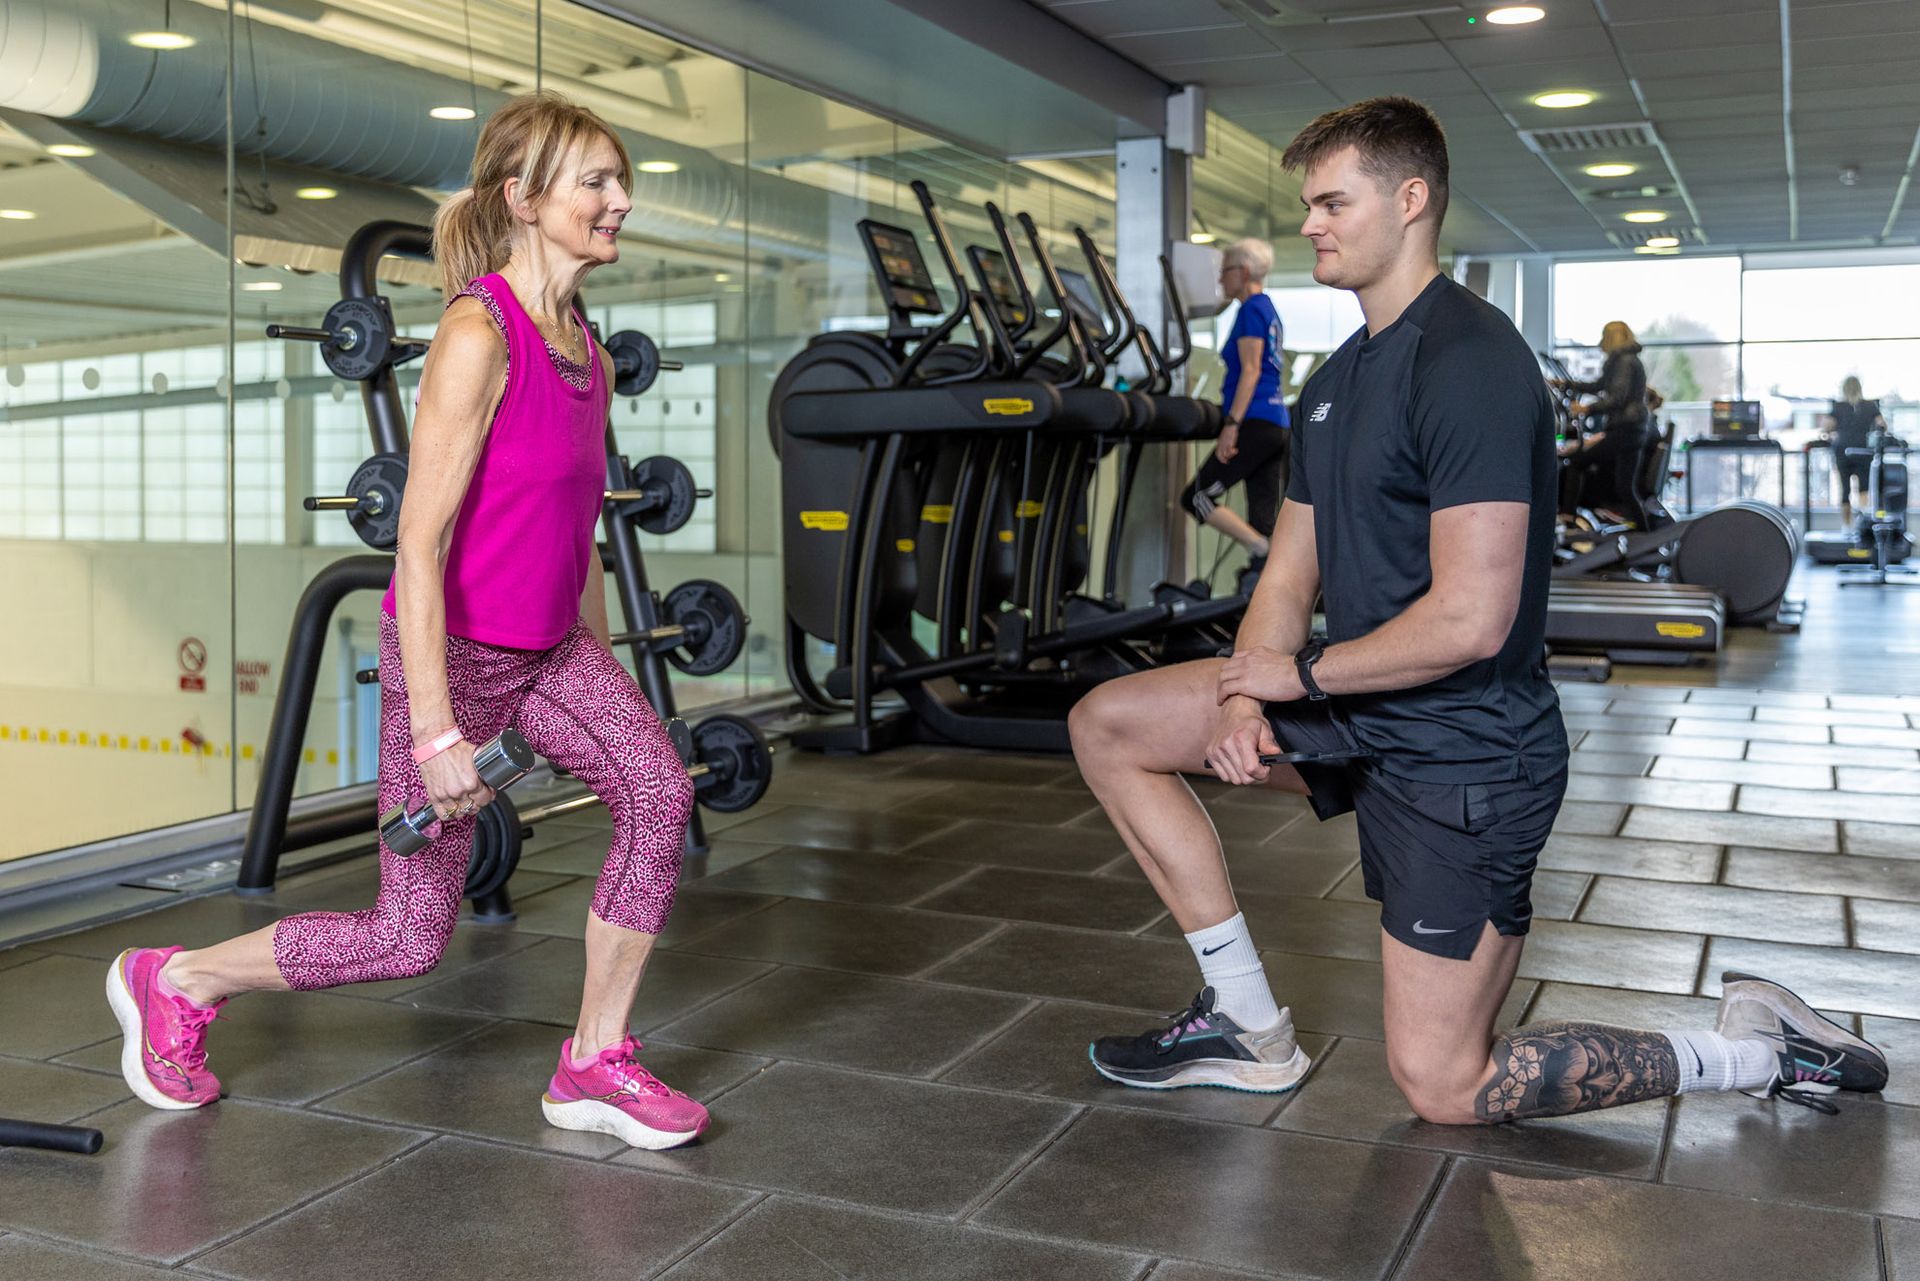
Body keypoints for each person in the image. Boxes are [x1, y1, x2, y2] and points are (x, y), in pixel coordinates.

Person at [1069, 96, 1887, 1124]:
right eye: (1308, 205)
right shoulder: (1337, 379)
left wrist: (1300, 677)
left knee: (1446, 1085)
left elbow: (1472, 621)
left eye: (1332, 202)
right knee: (1110, 725)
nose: (1310, 225)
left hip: (1467, 754)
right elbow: (1286, 577)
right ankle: (1244, 1025)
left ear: (1410, 200)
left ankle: (1754, 1052)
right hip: (1360, 703)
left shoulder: (1473, 364)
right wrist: (1245, 694)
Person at [103, 93, 711, 1151]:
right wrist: (436, 733)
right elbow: (418, 548)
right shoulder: (484, 333)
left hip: (552, 652)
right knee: (406, 936)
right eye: (596, 183)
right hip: (456, 660)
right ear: (523, 201)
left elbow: (576, 535)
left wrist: (605, 685)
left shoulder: (591, 350)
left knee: (656, 789)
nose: (621, 201)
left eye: (621, 180)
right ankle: (179, 978)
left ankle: (593, 1061)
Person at [1179, 237, 1290, 570]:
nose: (1219, 279)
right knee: (1262, 516)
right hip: (1276, 423)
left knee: (1196, 496)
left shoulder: (1252, 310)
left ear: (1242, 272)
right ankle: (1264, 575)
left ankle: (1261, 551)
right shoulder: (1268, 309)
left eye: (1224, 271)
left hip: (1254, 422)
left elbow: (1252, 370)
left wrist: (1231, 425)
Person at [1551, 320, 1650, 527]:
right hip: (1634, 428)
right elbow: (1599, 386)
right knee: (1625, 488)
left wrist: (1587, 409)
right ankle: (1647, 536)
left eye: (1604, 336)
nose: (1600, 341)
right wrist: (1567, 384)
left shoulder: (1623, 361)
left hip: (1625, 429)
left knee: (1577, 461)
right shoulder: (1627, 360)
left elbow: (1617, 398)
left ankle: (1568, 519)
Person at [1822, 376, 1886, 525]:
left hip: (1843, 450)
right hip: (1863, 450)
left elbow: (1826, 427)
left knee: (1845, 488)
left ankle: (1847, 526)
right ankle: (1863, 525)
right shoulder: (1870, 406)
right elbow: (1882, 425)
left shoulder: (1839, 406)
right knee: (1863, 486)